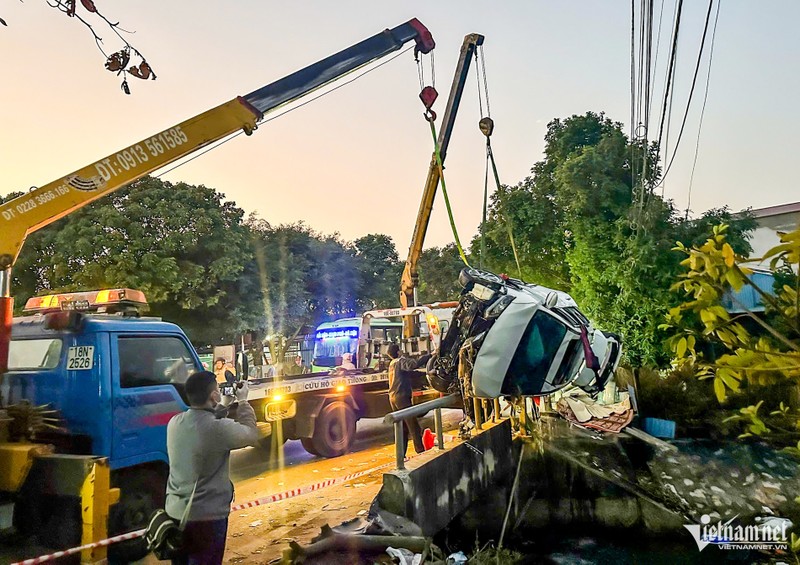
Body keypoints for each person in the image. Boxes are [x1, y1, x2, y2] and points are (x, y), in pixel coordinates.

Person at [165, 371, 258, 564]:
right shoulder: (218, 429)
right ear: (213, 395)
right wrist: (243, 402)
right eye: (217, 389)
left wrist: (223, 404)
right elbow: (250, 434)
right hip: (207, 519)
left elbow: (203, 421)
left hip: (176, 514)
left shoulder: (174, 423)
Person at [386, 343, 431, 455]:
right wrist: (430, 356)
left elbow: (410, 373)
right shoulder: (400, 361)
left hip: (393, 398)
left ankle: (401, 456)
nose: (401, 351)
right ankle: (420, 452)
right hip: (401, 397)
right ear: (398, 352)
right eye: (400, 350)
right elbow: (414, 364)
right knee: (414, 427)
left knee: (402, 428)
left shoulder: (392, 364)